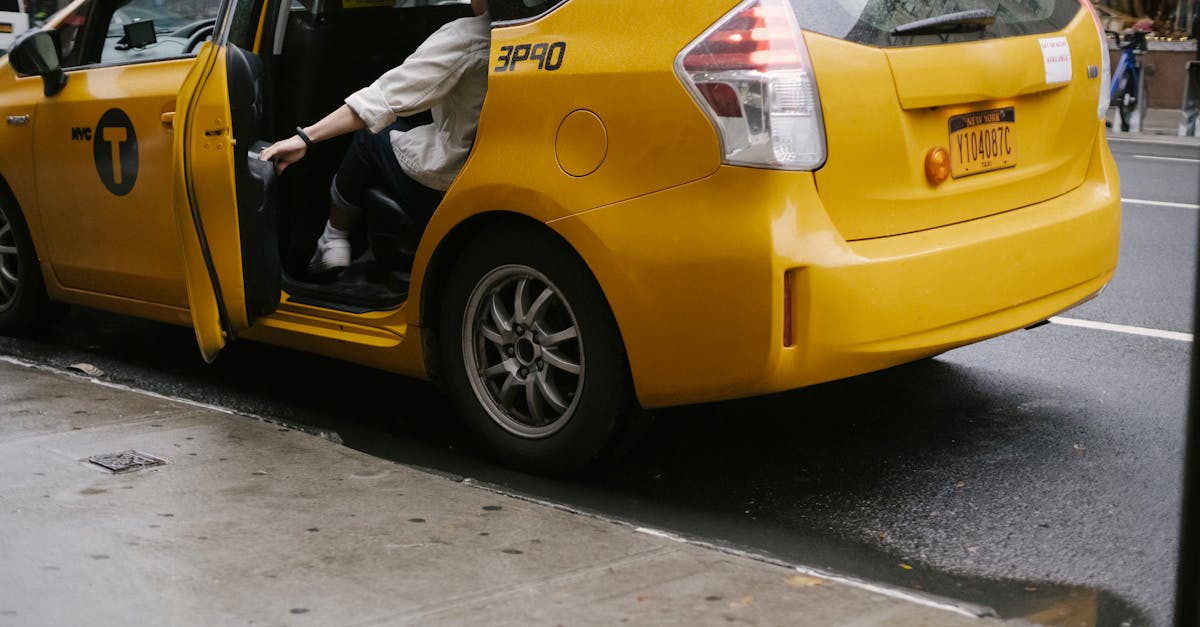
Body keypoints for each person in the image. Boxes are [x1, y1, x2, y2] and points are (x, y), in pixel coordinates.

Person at [260, 0, 490, 276]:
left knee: (371, 136)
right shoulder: (543, 38)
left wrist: (305, 139)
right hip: (495, 186)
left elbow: (380, 101)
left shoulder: (466, 38)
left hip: (448, 190)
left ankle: (333, 240)